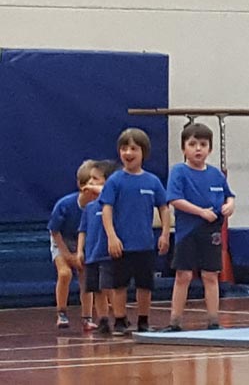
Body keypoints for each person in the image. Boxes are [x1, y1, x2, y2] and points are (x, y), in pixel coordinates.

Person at [162, 123, 236, 332]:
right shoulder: (179, 171)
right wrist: (200, 212)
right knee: (183, 275)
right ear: (183, 148)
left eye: (203, 144)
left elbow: (229, 194)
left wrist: (230, 204)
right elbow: (175, 199)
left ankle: (214, 322)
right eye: (192, 144)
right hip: (188, 232)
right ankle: (175, 322)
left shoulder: (216, 174)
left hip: (211, 231)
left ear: (209, 149)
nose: (198, 149)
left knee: (210, 275)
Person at [101, 128, 171, 335]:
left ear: (143, 152)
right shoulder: (115, 181)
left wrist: (165, 234)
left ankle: (143, 321)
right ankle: (120, 320)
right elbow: (106, 209)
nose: (128, 153)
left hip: (145, 243)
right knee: (119, 284)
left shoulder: (152, 181)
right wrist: (112, 236)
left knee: (145, 284)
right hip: (122, 244)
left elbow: (164, 208)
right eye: (124, 148)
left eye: (133, 148)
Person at [48, 159, 102, 330]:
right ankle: (61, 313)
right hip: (62, 240)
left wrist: (81, 253)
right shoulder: (65, 205)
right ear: (81, 186)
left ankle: (87, 317)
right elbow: (54, 231)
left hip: (82, 242)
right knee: (65, 274)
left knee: (86, 279)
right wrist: (66, 255)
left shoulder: (97, 207)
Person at [77, 159, 120, 335]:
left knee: (110, 288)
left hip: (107, 254)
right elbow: (83, 230)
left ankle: (119, 317)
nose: (91, 183)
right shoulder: (89, 207)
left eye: (95, 179)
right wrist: (80, 251)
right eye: (89, 179)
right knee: (96, 290)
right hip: (92, 255)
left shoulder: (114, 203)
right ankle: (103, 320)